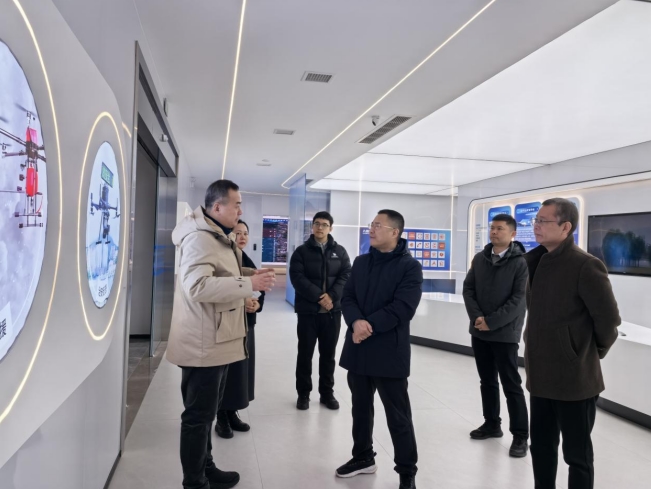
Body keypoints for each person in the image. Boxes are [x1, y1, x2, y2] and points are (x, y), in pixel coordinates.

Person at [167, 180, 275, 489]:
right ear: (217, 207)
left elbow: (221, 273)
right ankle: (194, 482)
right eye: (237, 204)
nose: (241, 211)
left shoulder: (218, 236)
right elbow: (197, 286)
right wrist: (249, 285)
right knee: (198, 417)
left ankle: (206, 468)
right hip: (203, 344)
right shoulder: (200, 239)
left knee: (207, 414)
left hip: (216, 340)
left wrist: (251, 275)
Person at [524, 198, 620, 489]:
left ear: (565, 227)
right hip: (540, 376)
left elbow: (608, 321)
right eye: (536, 220)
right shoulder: (535, 260)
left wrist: (584, 352)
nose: (536, 226)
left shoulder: (586, 265)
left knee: (577, 455)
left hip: (575, 380)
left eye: (543, 221)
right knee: (541, 448)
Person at [336, 210, 422, 489]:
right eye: (371, 225)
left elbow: (403, 308)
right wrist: (355, 322)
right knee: (360, 409)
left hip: (389, 352)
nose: (371, 229)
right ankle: (363, 457)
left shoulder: (410, 267)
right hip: (359, 348)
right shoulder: (361, 262)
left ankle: (407, 472)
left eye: (377, 225)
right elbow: (347, 297)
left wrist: (367, 325)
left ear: (395, 232)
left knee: (398, 416)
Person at [462, 213, 529, 458]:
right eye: (492, 228)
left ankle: (520, 435)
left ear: (512, 234)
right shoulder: (480, 258)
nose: (494, 232)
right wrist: (478, 318)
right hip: (480, 331)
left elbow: (519, 300)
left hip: (505, 333)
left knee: (511, 385)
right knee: (487, 381)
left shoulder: (521, 263)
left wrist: (491, 322)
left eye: (500, 228)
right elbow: (468, 289)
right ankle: (492, 424)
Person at [289, 211, 351, 410]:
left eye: (324, 224)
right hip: (308, 313)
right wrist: (319, 297)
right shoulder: (301, 252)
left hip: (332, 314)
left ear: (330, 228)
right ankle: (303, 394)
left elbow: (346, 276)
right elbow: (297, 278)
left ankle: (326, 393)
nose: (320, 227)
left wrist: (331, 296)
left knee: (328, 356)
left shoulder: (340, 252)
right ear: (312, 226)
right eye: (317, 224)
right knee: (304, 355)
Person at [216, 220, 265, 438]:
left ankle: (232, 411)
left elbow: (258, 289)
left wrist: (256, 305)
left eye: (245, 233)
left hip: (246, 324)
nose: (242, 237)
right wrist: (242, 301)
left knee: (240, 372)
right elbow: (222, 289)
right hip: (229, 324)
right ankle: (221, 416)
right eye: (238, 233)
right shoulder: (224, 258)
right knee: (225, 372)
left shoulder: (245, 258)